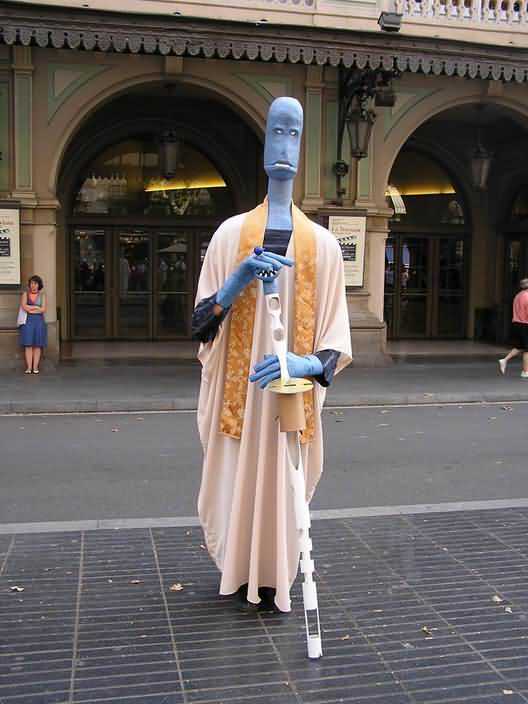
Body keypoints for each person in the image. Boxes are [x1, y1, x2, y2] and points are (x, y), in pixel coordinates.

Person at [192, 97, 352, 613]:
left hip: (288, 398)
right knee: (235, 483)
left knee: (285, 487)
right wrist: (236, 280)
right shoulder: (229, 236)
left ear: (302, 148)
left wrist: (305, 365)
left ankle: (277, 574)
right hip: (239, 395)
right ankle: (238, 570)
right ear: (264, 144)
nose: (284, 144)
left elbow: (335, 342)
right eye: (277, 132)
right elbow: (199, 324)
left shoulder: (323, 246)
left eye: (294, 133)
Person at [498, 277, 528, 378]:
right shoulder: (527, 296)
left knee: (519, 347)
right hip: (525, 324)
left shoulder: (518, 295)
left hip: (516, 323)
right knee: (527, 350)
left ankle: (504, 360)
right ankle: (525, 371)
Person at [18, 275, 48, 374]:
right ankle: (29, 367)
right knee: (28, 345)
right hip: (27, 322)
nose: (33, 285)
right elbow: (24, 307)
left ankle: (35, 367)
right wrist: (36, 308)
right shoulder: (25, 294)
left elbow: (43, 309)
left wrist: (31, 308)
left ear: (39, 285)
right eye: (31, 283)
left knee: (37, 345)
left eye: (35, 283)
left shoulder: (42, 295)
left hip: (39, 322)